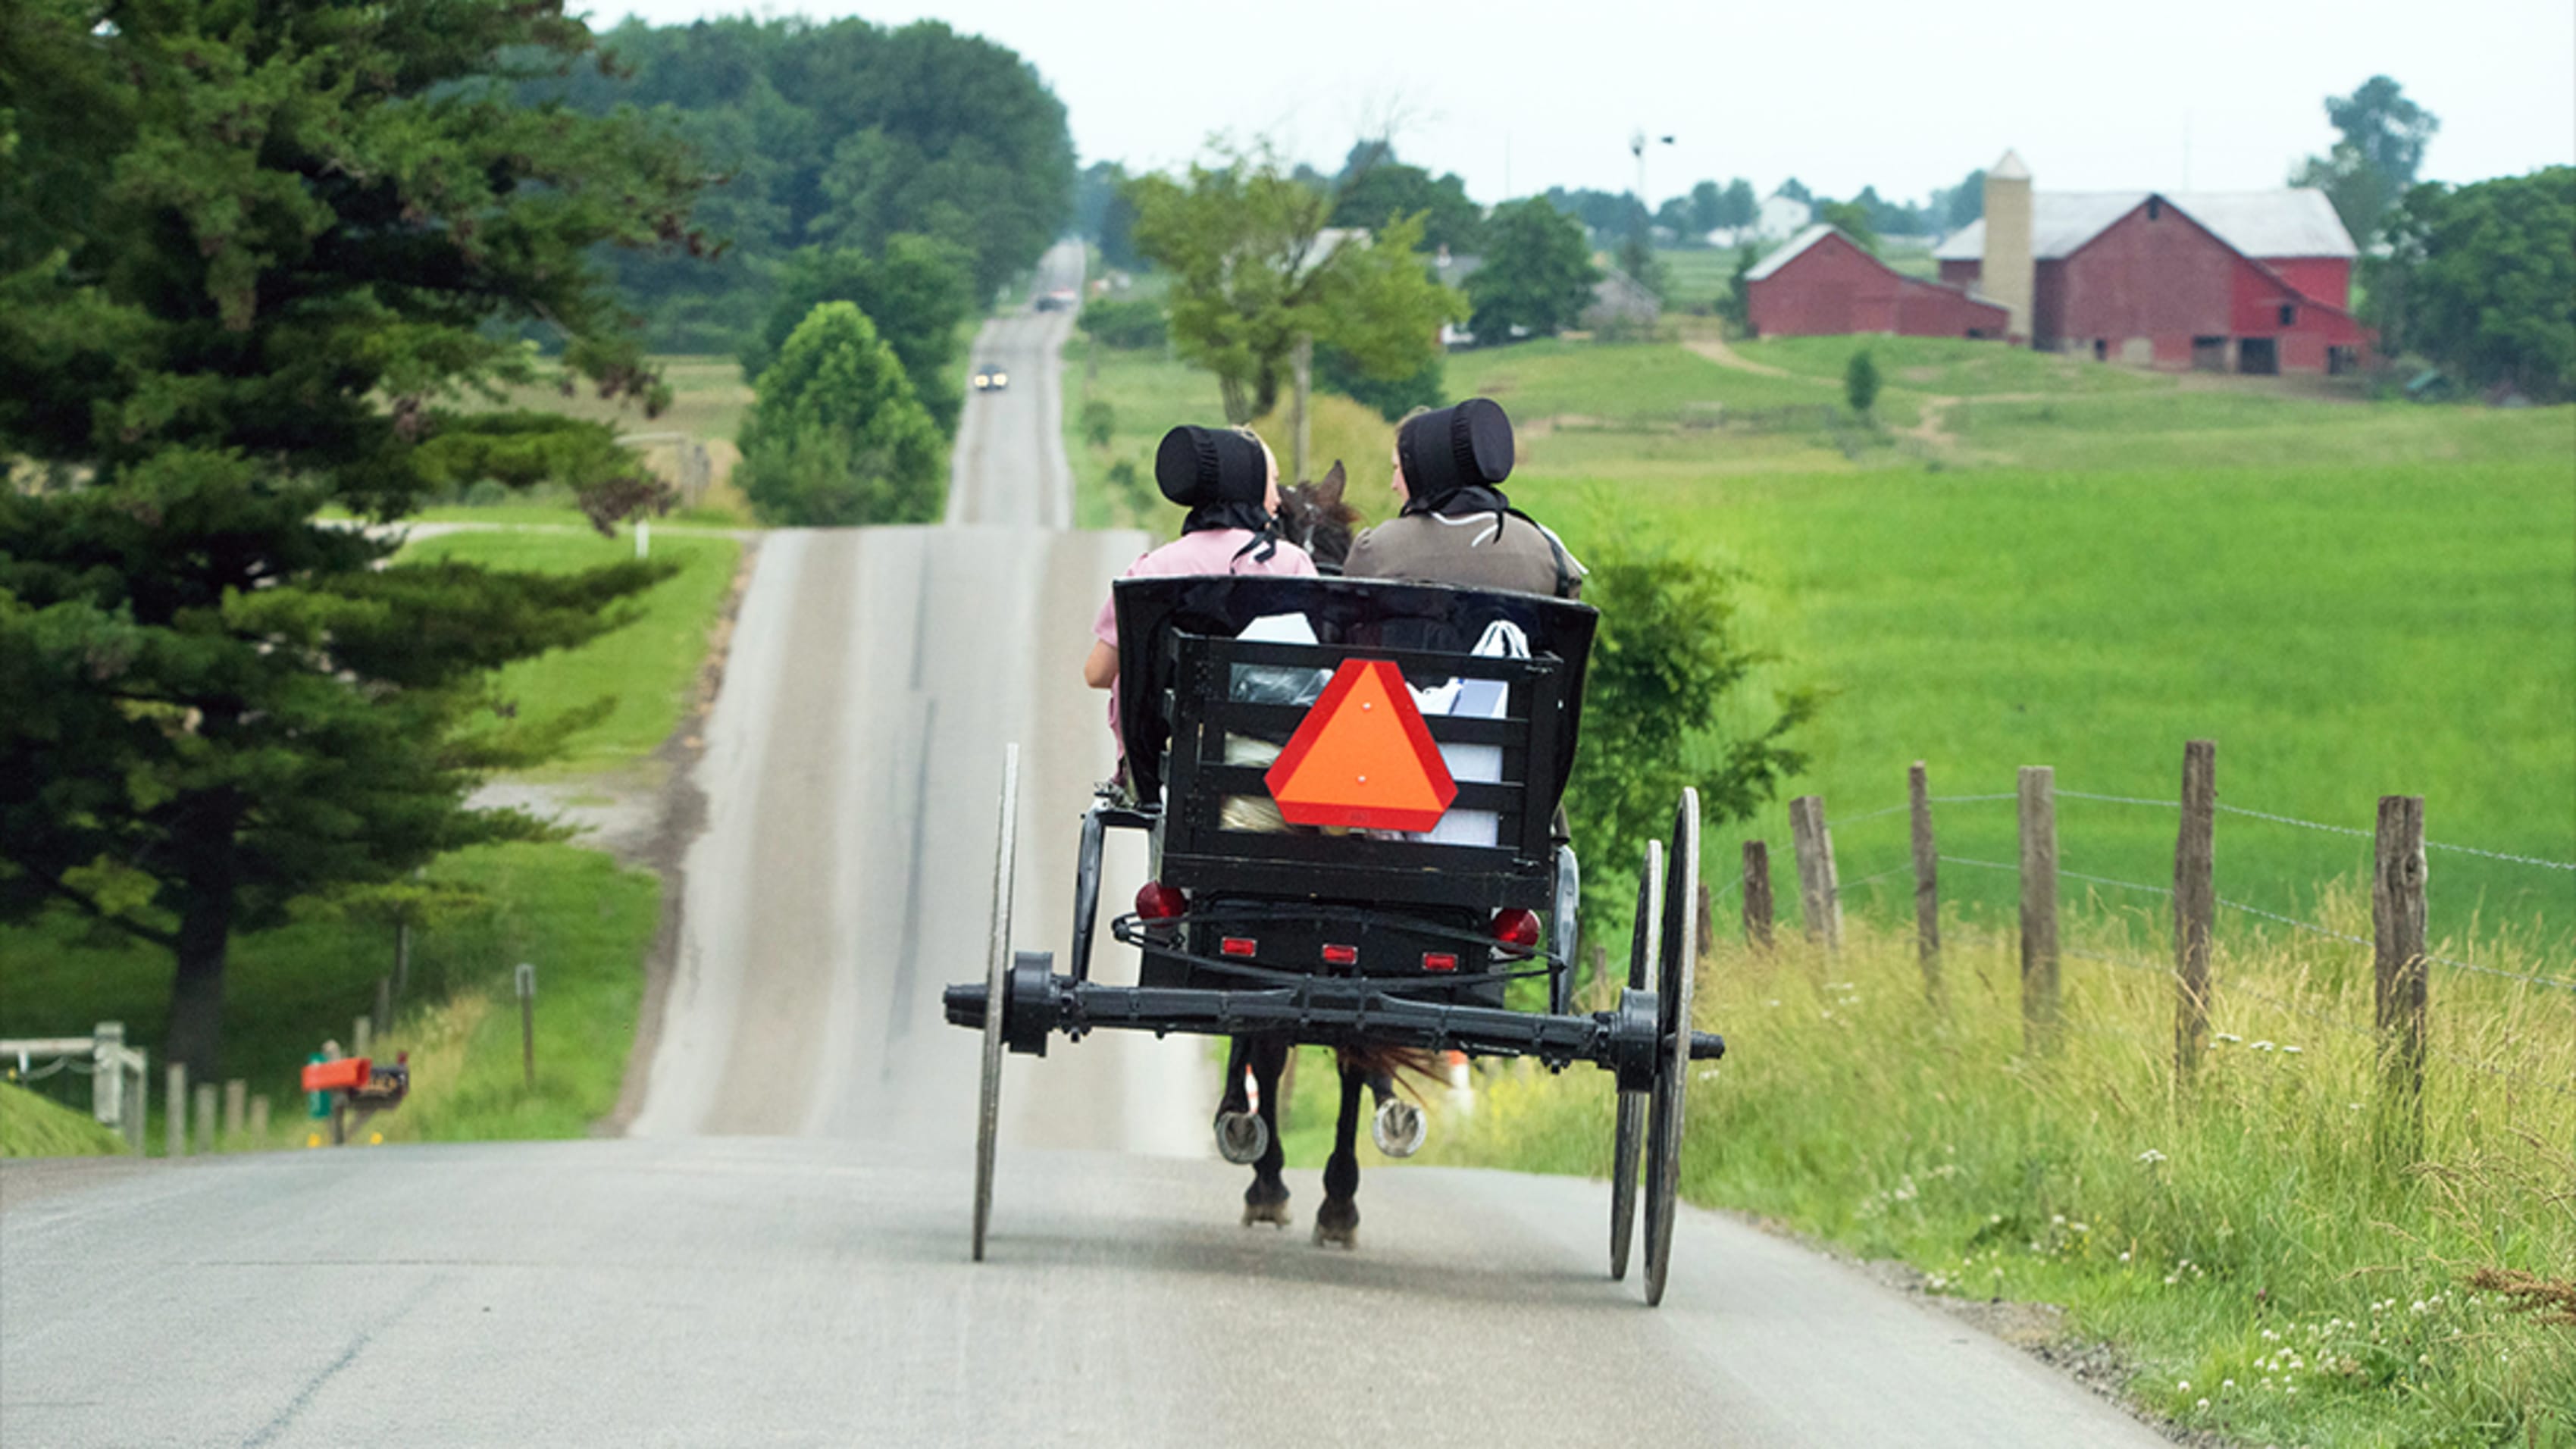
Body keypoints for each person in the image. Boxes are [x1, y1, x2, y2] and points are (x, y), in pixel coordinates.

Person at [1085, 425, 1317, 747]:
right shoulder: (1292, 563)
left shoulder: (1153, 568)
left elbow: (1097, 673)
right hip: (1271, 764)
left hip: (1162, 760)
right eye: (1271, 482)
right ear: (1247, 484)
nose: (1278, 498)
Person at [1341, 397, 1583, 599]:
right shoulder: (1549, 555)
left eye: (1398, 469)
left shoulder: (1377, 551)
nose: (1394, 485)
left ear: (1427, 469)